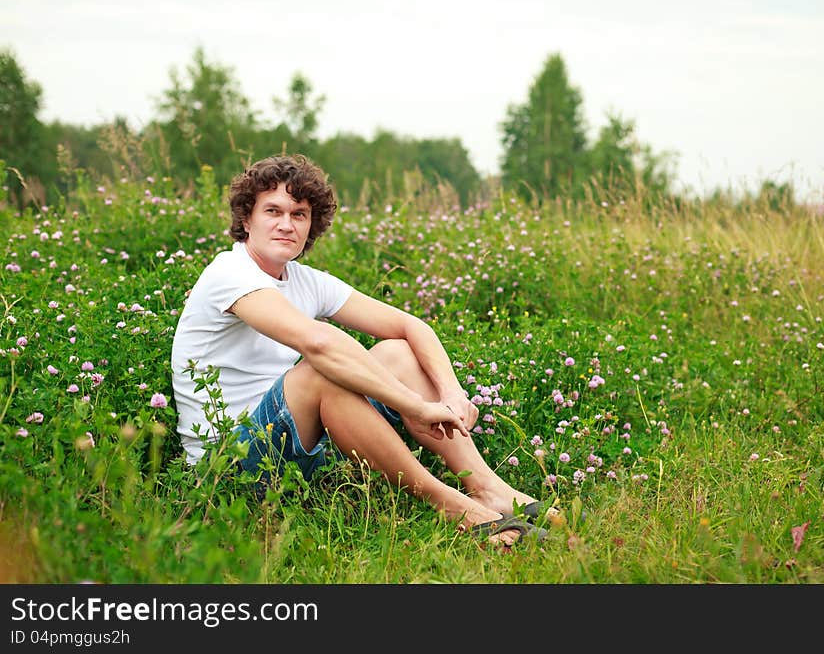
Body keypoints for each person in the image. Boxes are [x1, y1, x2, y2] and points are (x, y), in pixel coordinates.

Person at [171, 154, 546, 548]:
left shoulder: (305, 280)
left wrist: (452, 393)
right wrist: (414, 407)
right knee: (321, 371)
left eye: (299, 214)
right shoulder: (228, 274)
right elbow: (318, 343)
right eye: (273, 211)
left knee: (399, 352)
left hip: (295, 452)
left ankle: (487, 488)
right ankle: (455, 508)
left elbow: (410, 326)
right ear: (247, 220)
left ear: (311, 224)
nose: (286, 224)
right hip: (230, 468)